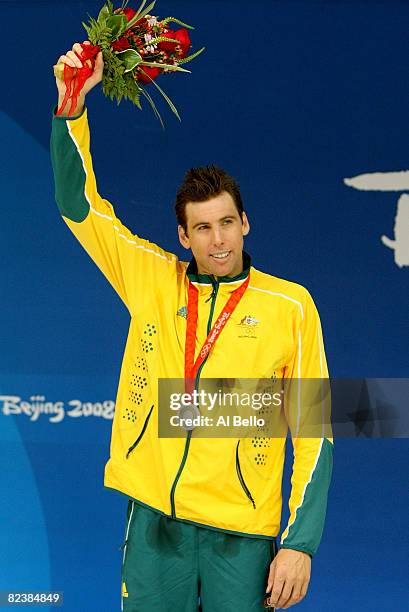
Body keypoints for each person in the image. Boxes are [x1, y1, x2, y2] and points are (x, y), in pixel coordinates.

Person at [51, 42, 333, 611]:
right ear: (183, 236)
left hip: (242, 538)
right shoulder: (152, 280)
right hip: (156, 528)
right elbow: (79, 205)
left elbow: (314, 432)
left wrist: (299, 543)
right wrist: (71, 111)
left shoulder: (291, 306)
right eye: (202, 228)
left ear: (245, 222)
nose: (219, 239)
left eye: (227, 222)